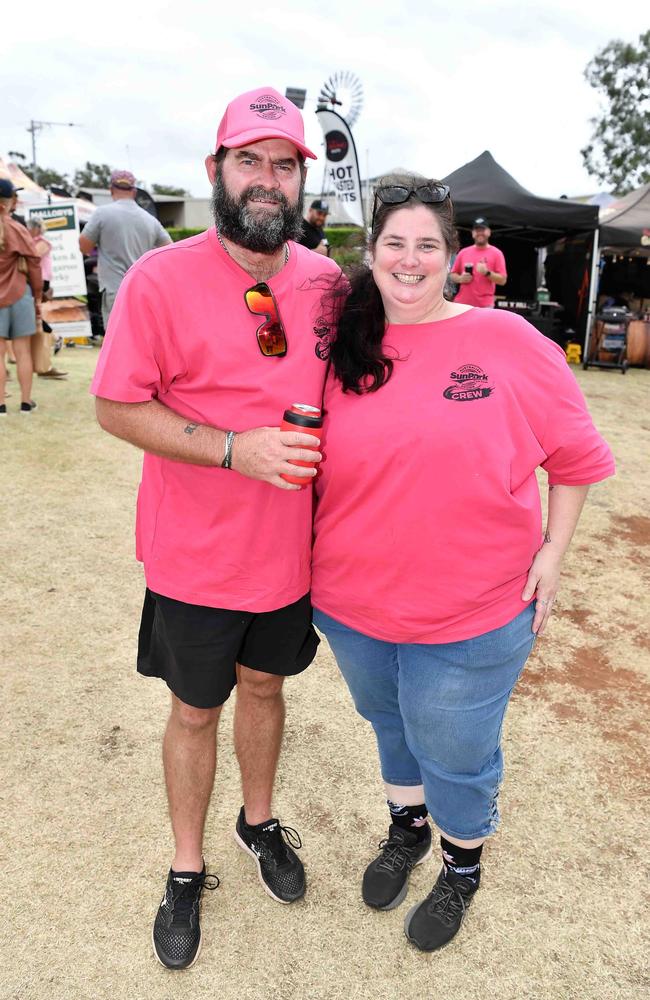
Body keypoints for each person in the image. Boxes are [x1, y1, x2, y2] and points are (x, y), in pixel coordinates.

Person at [310, 173, 615, 953]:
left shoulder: (508, 341)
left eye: (426, 246)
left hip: (474, 607)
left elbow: (575, 458)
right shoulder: (342, 341)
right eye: (394, 245)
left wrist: (554, 551)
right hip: (350, 601)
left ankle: (461, 864)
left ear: (455, 256)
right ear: (370, 253)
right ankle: (407, 828)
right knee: (389, 722)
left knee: (454, 748)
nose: (409, 261)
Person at [91, 85, 340, 970]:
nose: (267, 179)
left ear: (302, 180)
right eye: (250, 160)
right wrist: (234, 448)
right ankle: (186, 866)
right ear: (217, 171)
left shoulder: (328, 284)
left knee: (267, 692)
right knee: (196, 709)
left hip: (289, 556)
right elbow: (116, 405)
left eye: (284, 163)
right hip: (194, 556)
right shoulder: (161, 278)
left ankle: (258, 822)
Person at [79, 169, 172, 329]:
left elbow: (84, 246)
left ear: (111, 190)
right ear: (134, 191)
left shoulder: (102, 213)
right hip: (144, 291)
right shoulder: (150, 220)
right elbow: (170, 251)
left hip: (114, 288)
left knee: (117, 341)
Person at [0, 178, 42, 415]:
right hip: (19, 295)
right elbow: (35, 263)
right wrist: (37, 294)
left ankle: (1, 406)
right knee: (22, 351)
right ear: (9, 202)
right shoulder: (17, 228)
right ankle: (26, 403)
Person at [26, 217, 67, 380]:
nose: (27, 230)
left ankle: (55, 339)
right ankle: (55, 339)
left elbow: (32, 257)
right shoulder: (34, 241)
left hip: (39, 280)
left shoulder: (42, 242)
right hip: (35, 280)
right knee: (35, 316)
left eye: (28, 227)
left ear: (35, 228)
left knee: (35, 315)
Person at [449, 216, 507, 307]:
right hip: (462, 305)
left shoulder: (497, 253)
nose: (480, 233)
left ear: (489, 232)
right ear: (472, 233)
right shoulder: (463, 252)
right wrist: (461, 279)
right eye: (477, 230)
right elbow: (452, 275)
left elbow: (503, 280)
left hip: (485, 306)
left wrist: (487, 273)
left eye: (482, 230)